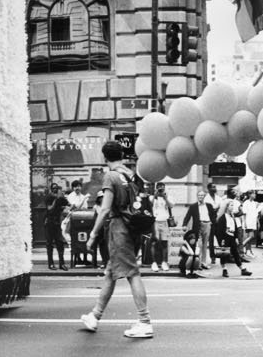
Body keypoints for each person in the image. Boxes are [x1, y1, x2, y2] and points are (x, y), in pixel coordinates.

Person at [79, 141, 153, 339]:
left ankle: (145, 321)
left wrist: (93, 234)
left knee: (132, 273)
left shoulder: (110, 176)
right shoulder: (131, 174)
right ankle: (95, 315)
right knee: (111, 273)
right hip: (134, 228)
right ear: (121, 155)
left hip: (120, 229)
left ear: (105, 158)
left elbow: (104, 209)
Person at [43, 183, 71, 270]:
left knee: (60, 243)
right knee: (49, 244)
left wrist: (65, 204)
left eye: (56, 188)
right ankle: (50, 264)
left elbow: (69, 205)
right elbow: (49, 209)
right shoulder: (49, 197)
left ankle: (61, 264)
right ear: (51, 189)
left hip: (57, 223)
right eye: (53, 188)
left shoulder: (60, 197)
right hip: (49, 223)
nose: (55, 190)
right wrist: (56, 199)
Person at [149, 184, 172, 272]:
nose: (160, 190)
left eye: (162, 188)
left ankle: (164, 262)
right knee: (154, 242)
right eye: (159, 188)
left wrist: (165, 198)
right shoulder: (152, 197)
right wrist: (155, 196)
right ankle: (154, 263)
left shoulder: (167, 196)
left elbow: (171, 206)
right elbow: (149, 205)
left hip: (164, 221)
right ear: (156, 188)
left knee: (164, 243)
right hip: (155, 221)